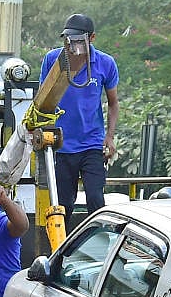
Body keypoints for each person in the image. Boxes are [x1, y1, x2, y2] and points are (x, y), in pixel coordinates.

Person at [39, 13, 119, 216]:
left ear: (91, 38)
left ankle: (100, 243)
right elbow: (42, 101)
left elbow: (113, 103)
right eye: (69, 40)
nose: (73, 45)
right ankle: (62, 245)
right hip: (62, 143)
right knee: (64, 203)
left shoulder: (105, 63)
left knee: (95, 198)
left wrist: (109, 136)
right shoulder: (53, 60)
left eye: (78, 40)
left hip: (91, 141)